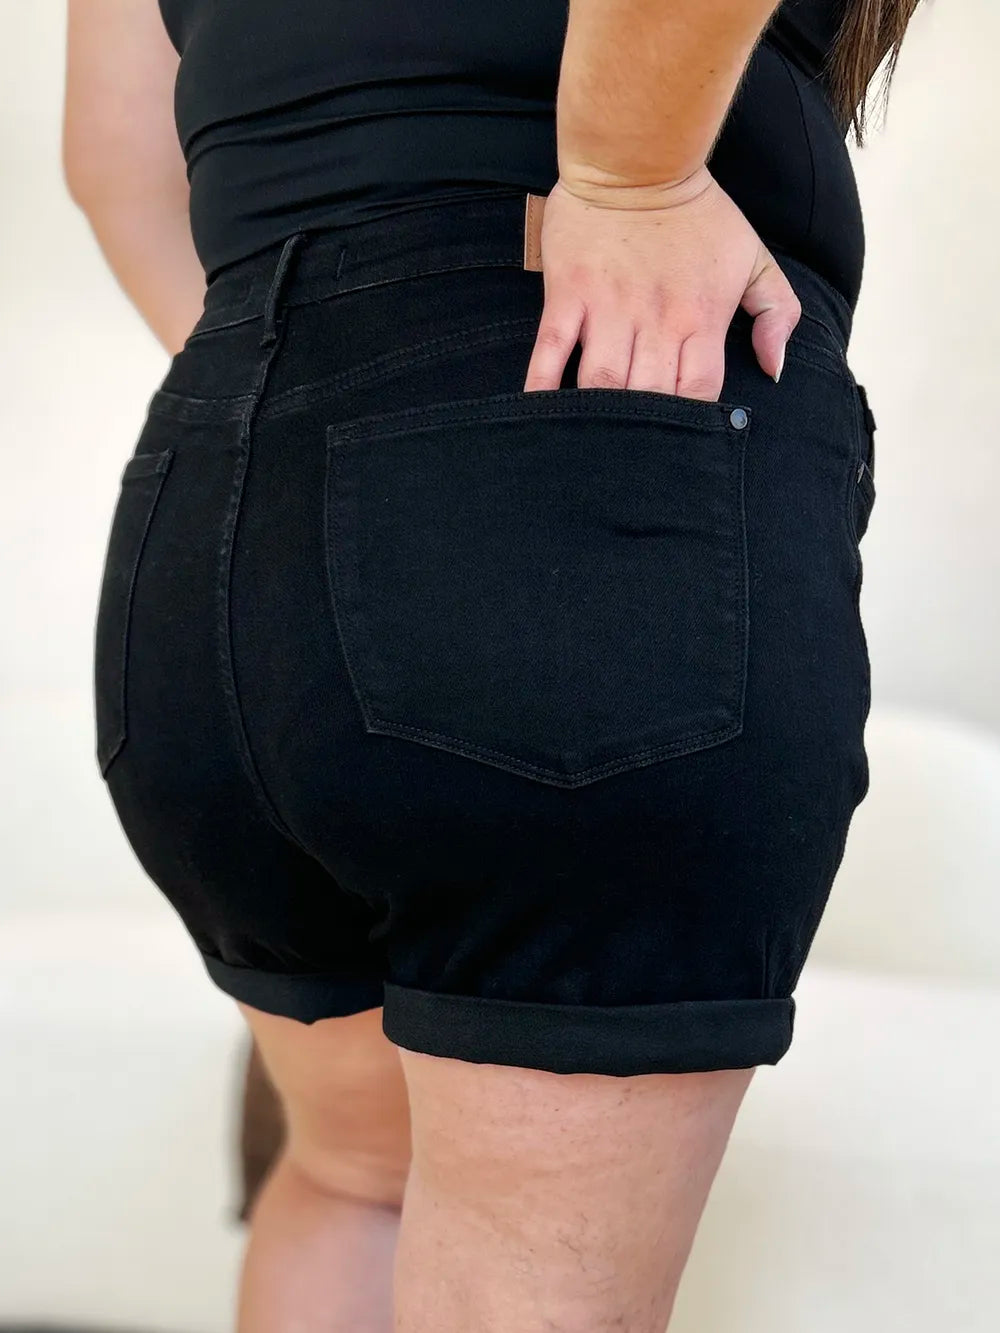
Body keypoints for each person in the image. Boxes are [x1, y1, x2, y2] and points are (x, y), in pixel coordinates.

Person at [64, 0, 917, 1328]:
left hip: (209, 510)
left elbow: (113, 161)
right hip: (564, 464)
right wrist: (632, 182)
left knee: (354, 1180)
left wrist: (331, 411)